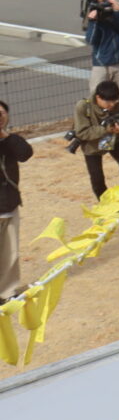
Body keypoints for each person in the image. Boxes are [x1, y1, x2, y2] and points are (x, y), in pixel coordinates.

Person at [73, 80, 119, 214]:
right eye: (108, 102)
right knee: (97, 179)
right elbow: (82, 132)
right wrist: (105, 130)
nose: (112, 105)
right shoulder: (83, 107)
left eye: (114, 102)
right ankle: (107, 205)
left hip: (115, 140)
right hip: (92, 146)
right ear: (98, 97)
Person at [1, 100, 33, 299]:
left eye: (2, 113)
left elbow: (25, 154)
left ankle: (7, 292)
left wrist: (4, 135)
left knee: (10, 253)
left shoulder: (11, 140)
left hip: (9, 204)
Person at [81, 0, 119, 93]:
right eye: (102, 1)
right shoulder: (94, 18)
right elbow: (91, 40)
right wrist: (94, 21)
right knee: (97, 93)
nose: (105, 3)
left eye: (107, 0)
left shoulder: (116, 14)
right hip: (101, 63)